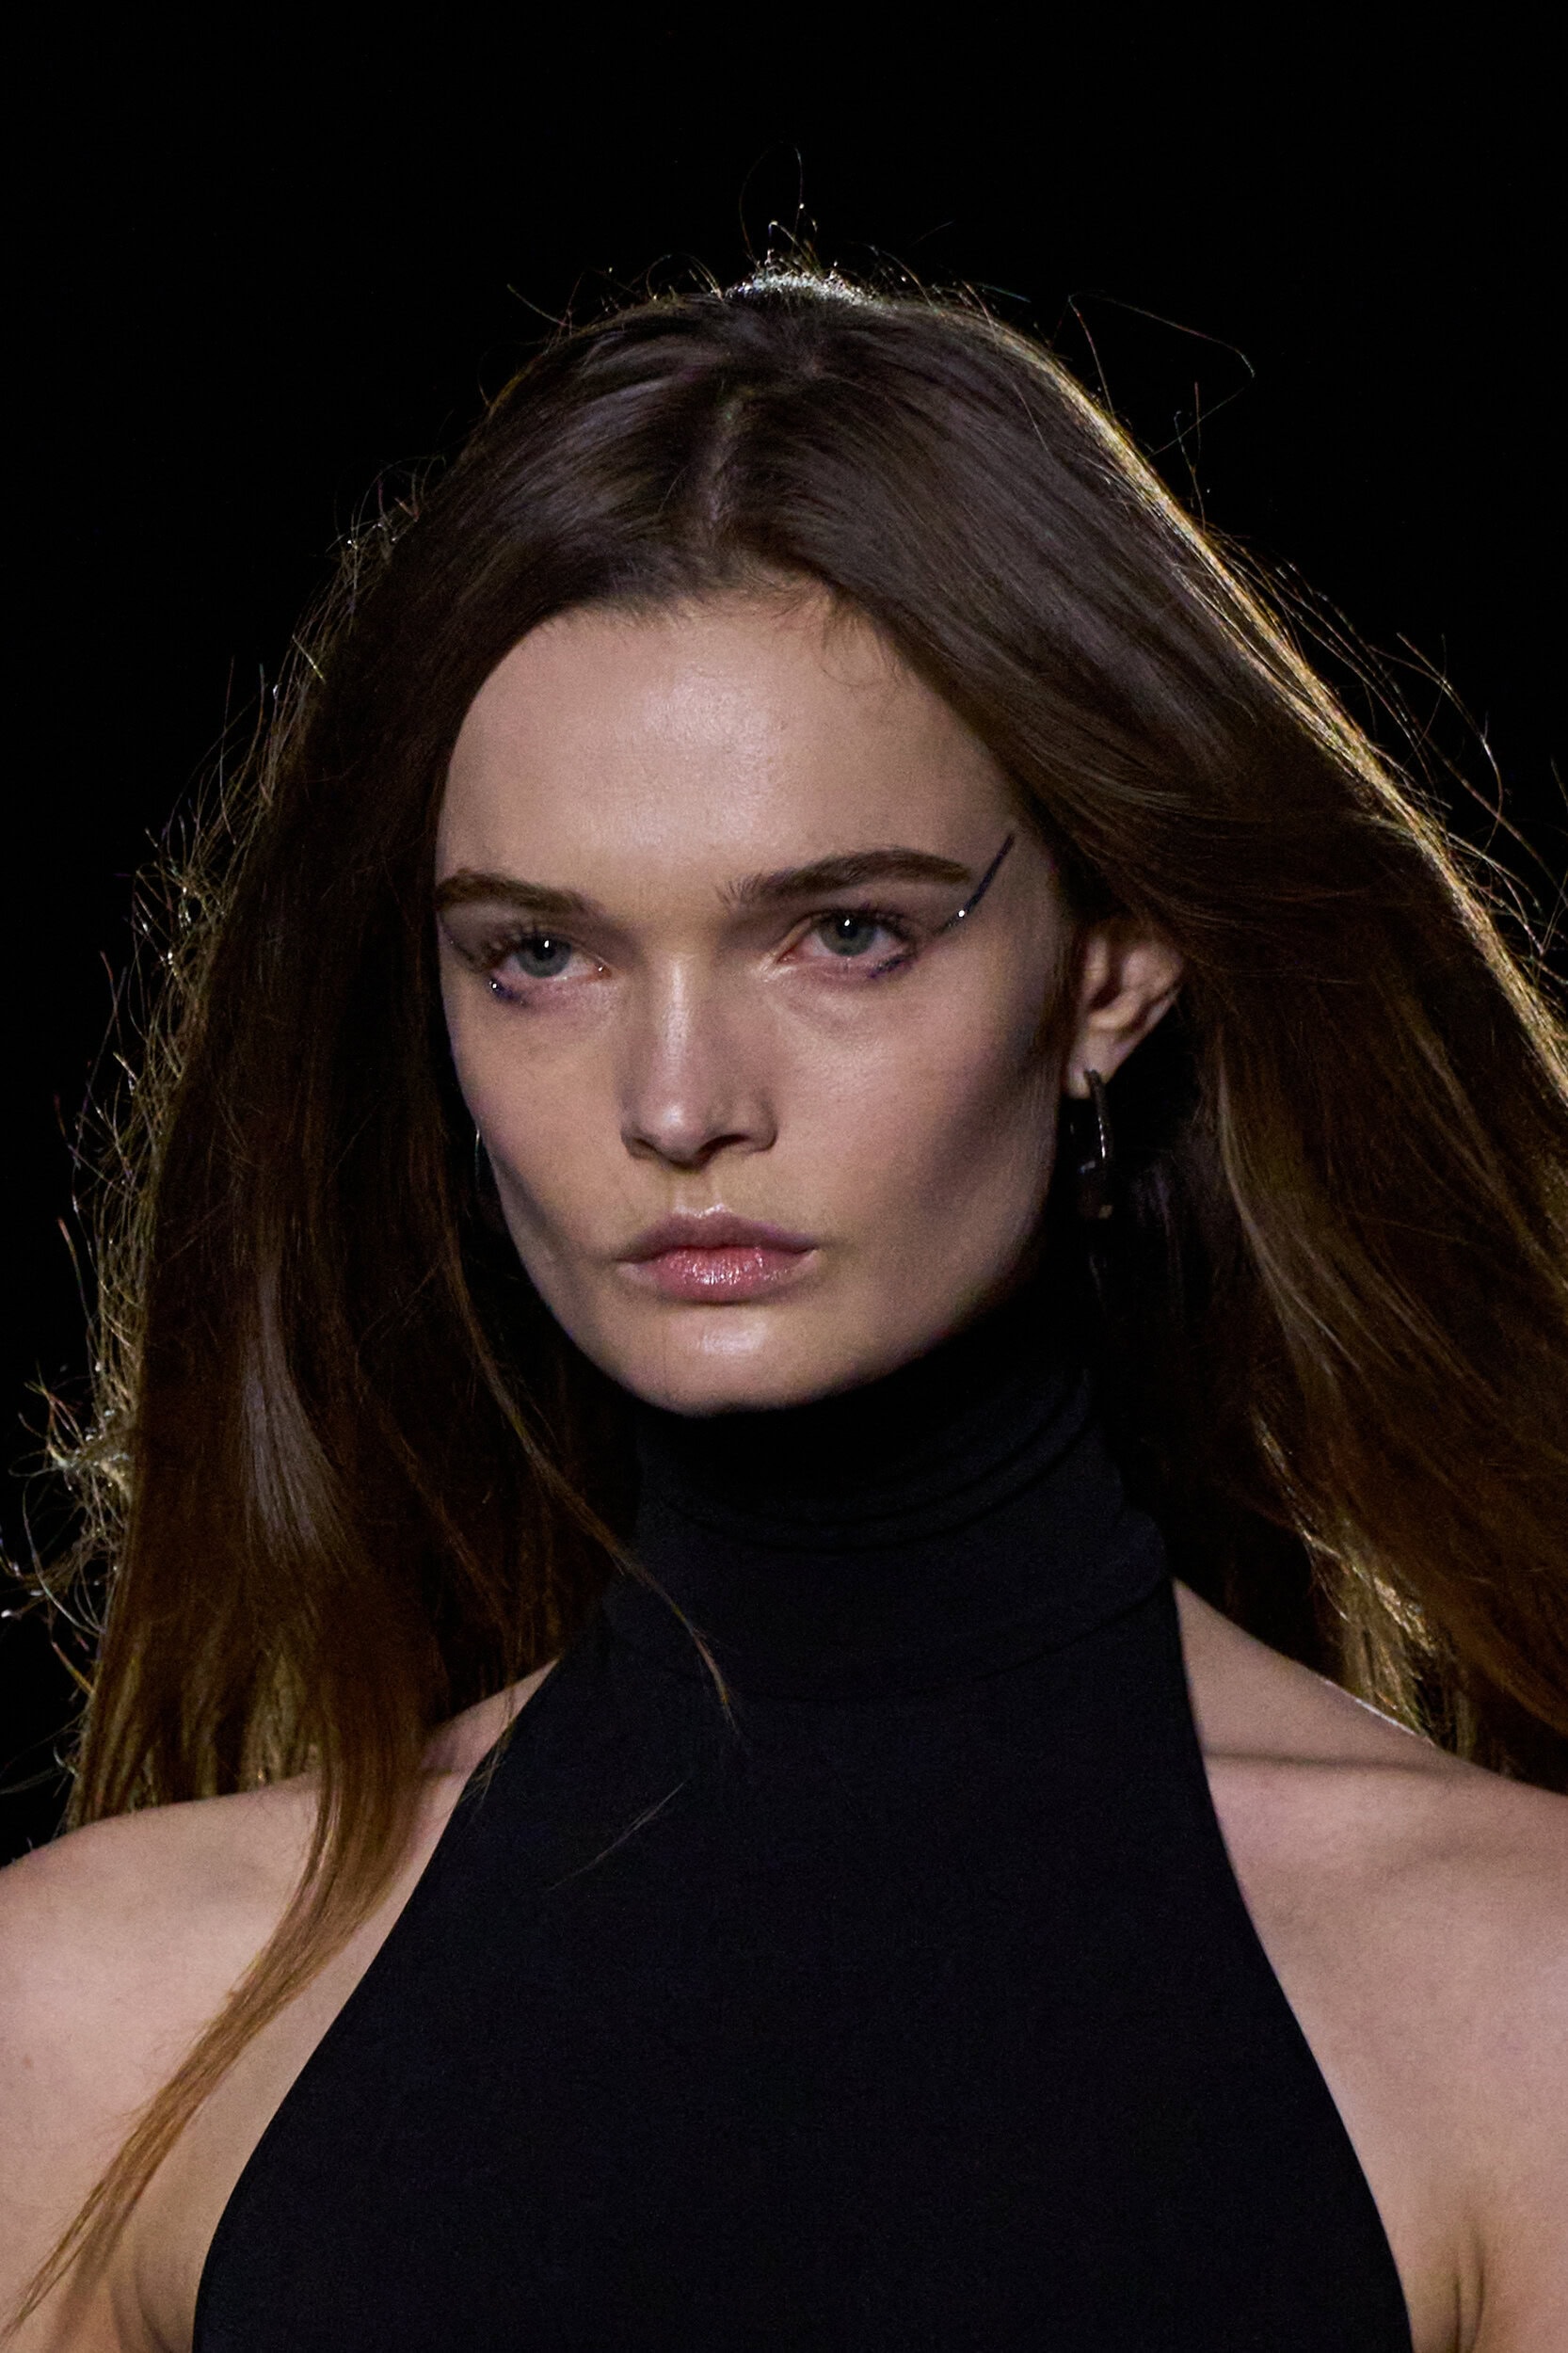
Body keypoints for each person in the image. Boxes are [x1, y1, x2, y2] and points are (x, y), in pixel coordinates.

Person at [2, 264, 1565, 2352]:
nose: (677, 1106)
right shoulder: (107, 2019)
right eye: (538, 955)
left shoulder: (1507, 2000)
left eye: (843, 932)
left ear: (1108, 968)